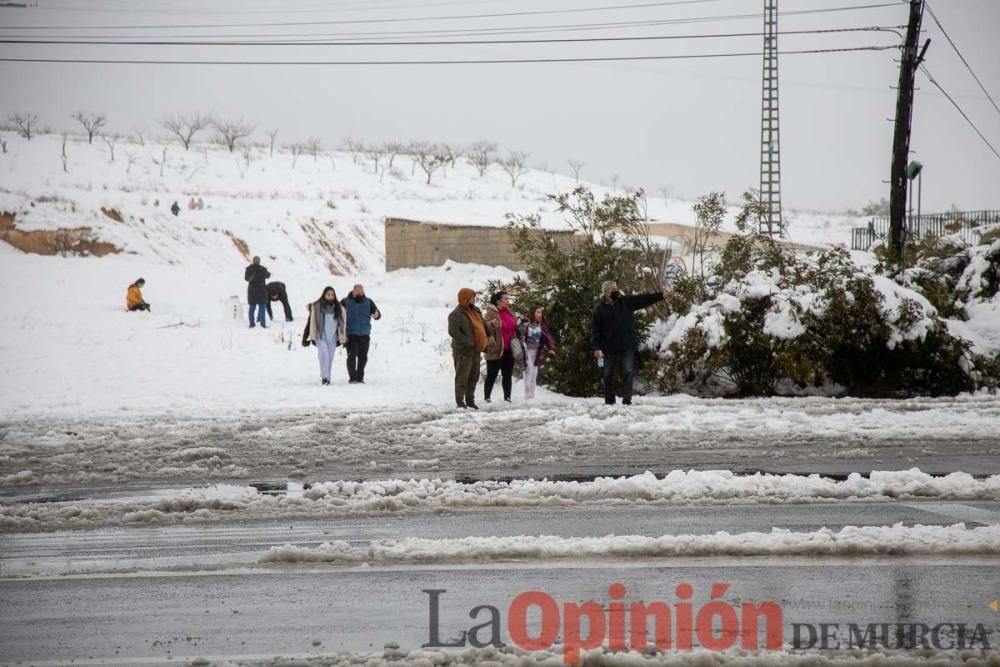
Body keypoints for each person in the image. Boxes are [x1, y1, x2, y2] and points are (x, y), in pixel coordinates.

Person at [591, 280, 670, 405]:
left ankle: (627, 401)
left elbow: (643, 299)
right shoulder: (599, 310)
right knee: (608, 375)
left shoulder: (625, 302)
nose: (616, 292)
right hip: (609, 348)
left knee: (628, 372)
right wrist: (596, 348)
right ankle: (609, 401)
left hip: (627, 346)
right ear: (606, 292)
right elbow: (595, 331)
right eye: (613, 290)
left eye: (617, 289)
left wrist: (661, 295)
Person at [448, 287, 487, 409]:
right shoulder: (456, 314)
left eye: (474, 297)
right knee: (462, 377)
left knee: (473, 376)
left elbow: (482, 324)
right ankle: (460, 401)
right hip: (463, 351)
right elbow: (453, 332)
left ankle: (470, 400)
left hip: (475, 349)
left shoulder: (475, 310)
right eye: (471, 297)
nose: (473, 299)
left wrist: (489, 334)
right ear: (465, 298)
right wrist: (469, 341)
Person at [301, 286, 346, 385]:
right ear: (324, 295)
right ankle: (324, 377)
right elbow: (310, 322)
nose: (330, 296)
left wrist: (343, 338)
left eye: (332, 294)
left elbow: (343, 324)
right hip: (320, 336)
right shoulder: (316, 307)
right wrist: (305, 336)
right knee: (325, 355)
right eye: (328, 294)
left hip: (333, 338)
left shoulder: (339, 308)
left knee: (329, 358)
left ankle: (328, 377)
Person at [340, 284, 382, 384]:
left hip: (364, 334)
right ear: (353, 291)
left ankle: (360, 377)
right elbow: (337, 313)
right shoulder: (345, 302)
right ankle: (353, 378)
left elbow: (377, 314)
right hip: (351, 334)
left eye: (361, 291)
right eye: (357, 291)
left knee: (363, 357)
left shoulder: (368, 302)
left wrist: (376, 315)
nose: (360, 293)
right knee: (352, 356)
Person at [483, 291, 518, 403]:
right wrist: (492, 324)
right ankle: (487, 398)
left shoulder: (510, 312)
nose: (508, 301)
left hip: (509, 348)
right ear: (498, 301)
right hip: (496, 348)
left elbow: (514, 326)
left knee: (507, 374)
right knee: (492, 374)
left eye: (508, 299)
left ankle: (507, 398)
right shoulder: (491, 312)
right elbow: (484, 326)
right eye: (505, 299)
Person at [518, 306, 556, 399]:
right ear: (532, 313)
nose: (540, 315)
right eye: (538, 312)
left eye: (541, 313)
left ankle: (532, 396)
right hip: (526, 351)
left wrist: (551, 349)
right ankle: (527, 393)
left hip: (536, 352)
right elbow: (518, 334)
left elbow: (548, 338)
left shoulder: (542, 325)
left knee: (534, 373)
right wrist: (521, 325)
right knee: (529, 369)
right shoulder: (526, 323)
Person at [244, 256, 270, 328]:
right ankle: (262, 324)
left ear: (253, 261)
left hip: (251, 292)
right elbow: (268, 275)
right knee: (262, 308)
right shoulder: (262, 269)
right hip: (261, 291)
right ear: (259, 261)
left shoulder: (249, 269)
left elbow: (246, 278)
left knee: (252, 308)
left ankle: (252, 324)